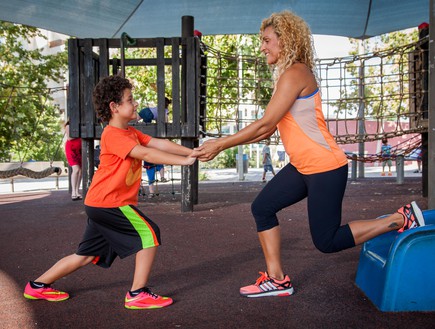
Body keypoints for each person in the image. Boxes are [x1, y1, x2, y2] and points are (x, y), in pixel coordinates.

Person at [194, 11, 425, 298]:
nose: (262, 47)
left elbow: (265, 125)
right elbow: (267, 130)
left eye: (267, 40)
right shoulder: (288, 75)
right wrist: (222, 144)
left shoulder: (296, 73)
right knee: (263, 207)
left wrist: (220, 144)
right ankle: (277, 279)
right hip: (304, 166)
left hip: (325, 167)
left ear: (286, 40)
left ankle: (400, 219)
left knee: (326, 241)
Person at [23, 75, 196, 309]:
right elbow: (145, 154)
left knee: (85, 255)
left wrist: (190, 152)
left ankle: (37, 286)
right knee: (149, 235)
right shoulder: (112, 134)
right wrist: (184, 162)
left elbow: (157, 143)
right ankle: (138, 293)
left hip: (99, 204)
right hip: (109, 203)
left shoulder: (131, 133)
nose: (135, 104)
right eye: (130, 100)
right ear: (114, 107)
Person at [64, 120, 82, 201]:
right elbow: (69, 138)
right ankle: (73, 192)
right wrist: (81, 134)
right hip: (71, 149)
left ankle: (77, 191)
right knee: (76, 169)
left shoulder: (81, 125)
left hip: (79, 150)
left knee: (81, 170)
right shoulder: (68, 126)